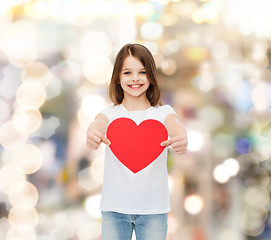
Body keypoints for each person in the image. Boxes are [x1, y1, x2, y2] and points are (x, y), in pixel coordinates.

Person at [86, 43, 188, 240]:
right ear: (117, 77)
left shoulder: (163, 113)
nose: (135, 78)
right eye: (127, 73)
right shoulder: (109, 114)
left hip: (154, 210)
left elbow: (175, 125)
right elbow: (97, 124)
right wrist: (92, 133)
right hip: (114, 209)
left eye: (142, 72)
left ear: (151, 76)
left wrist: (180, 137)